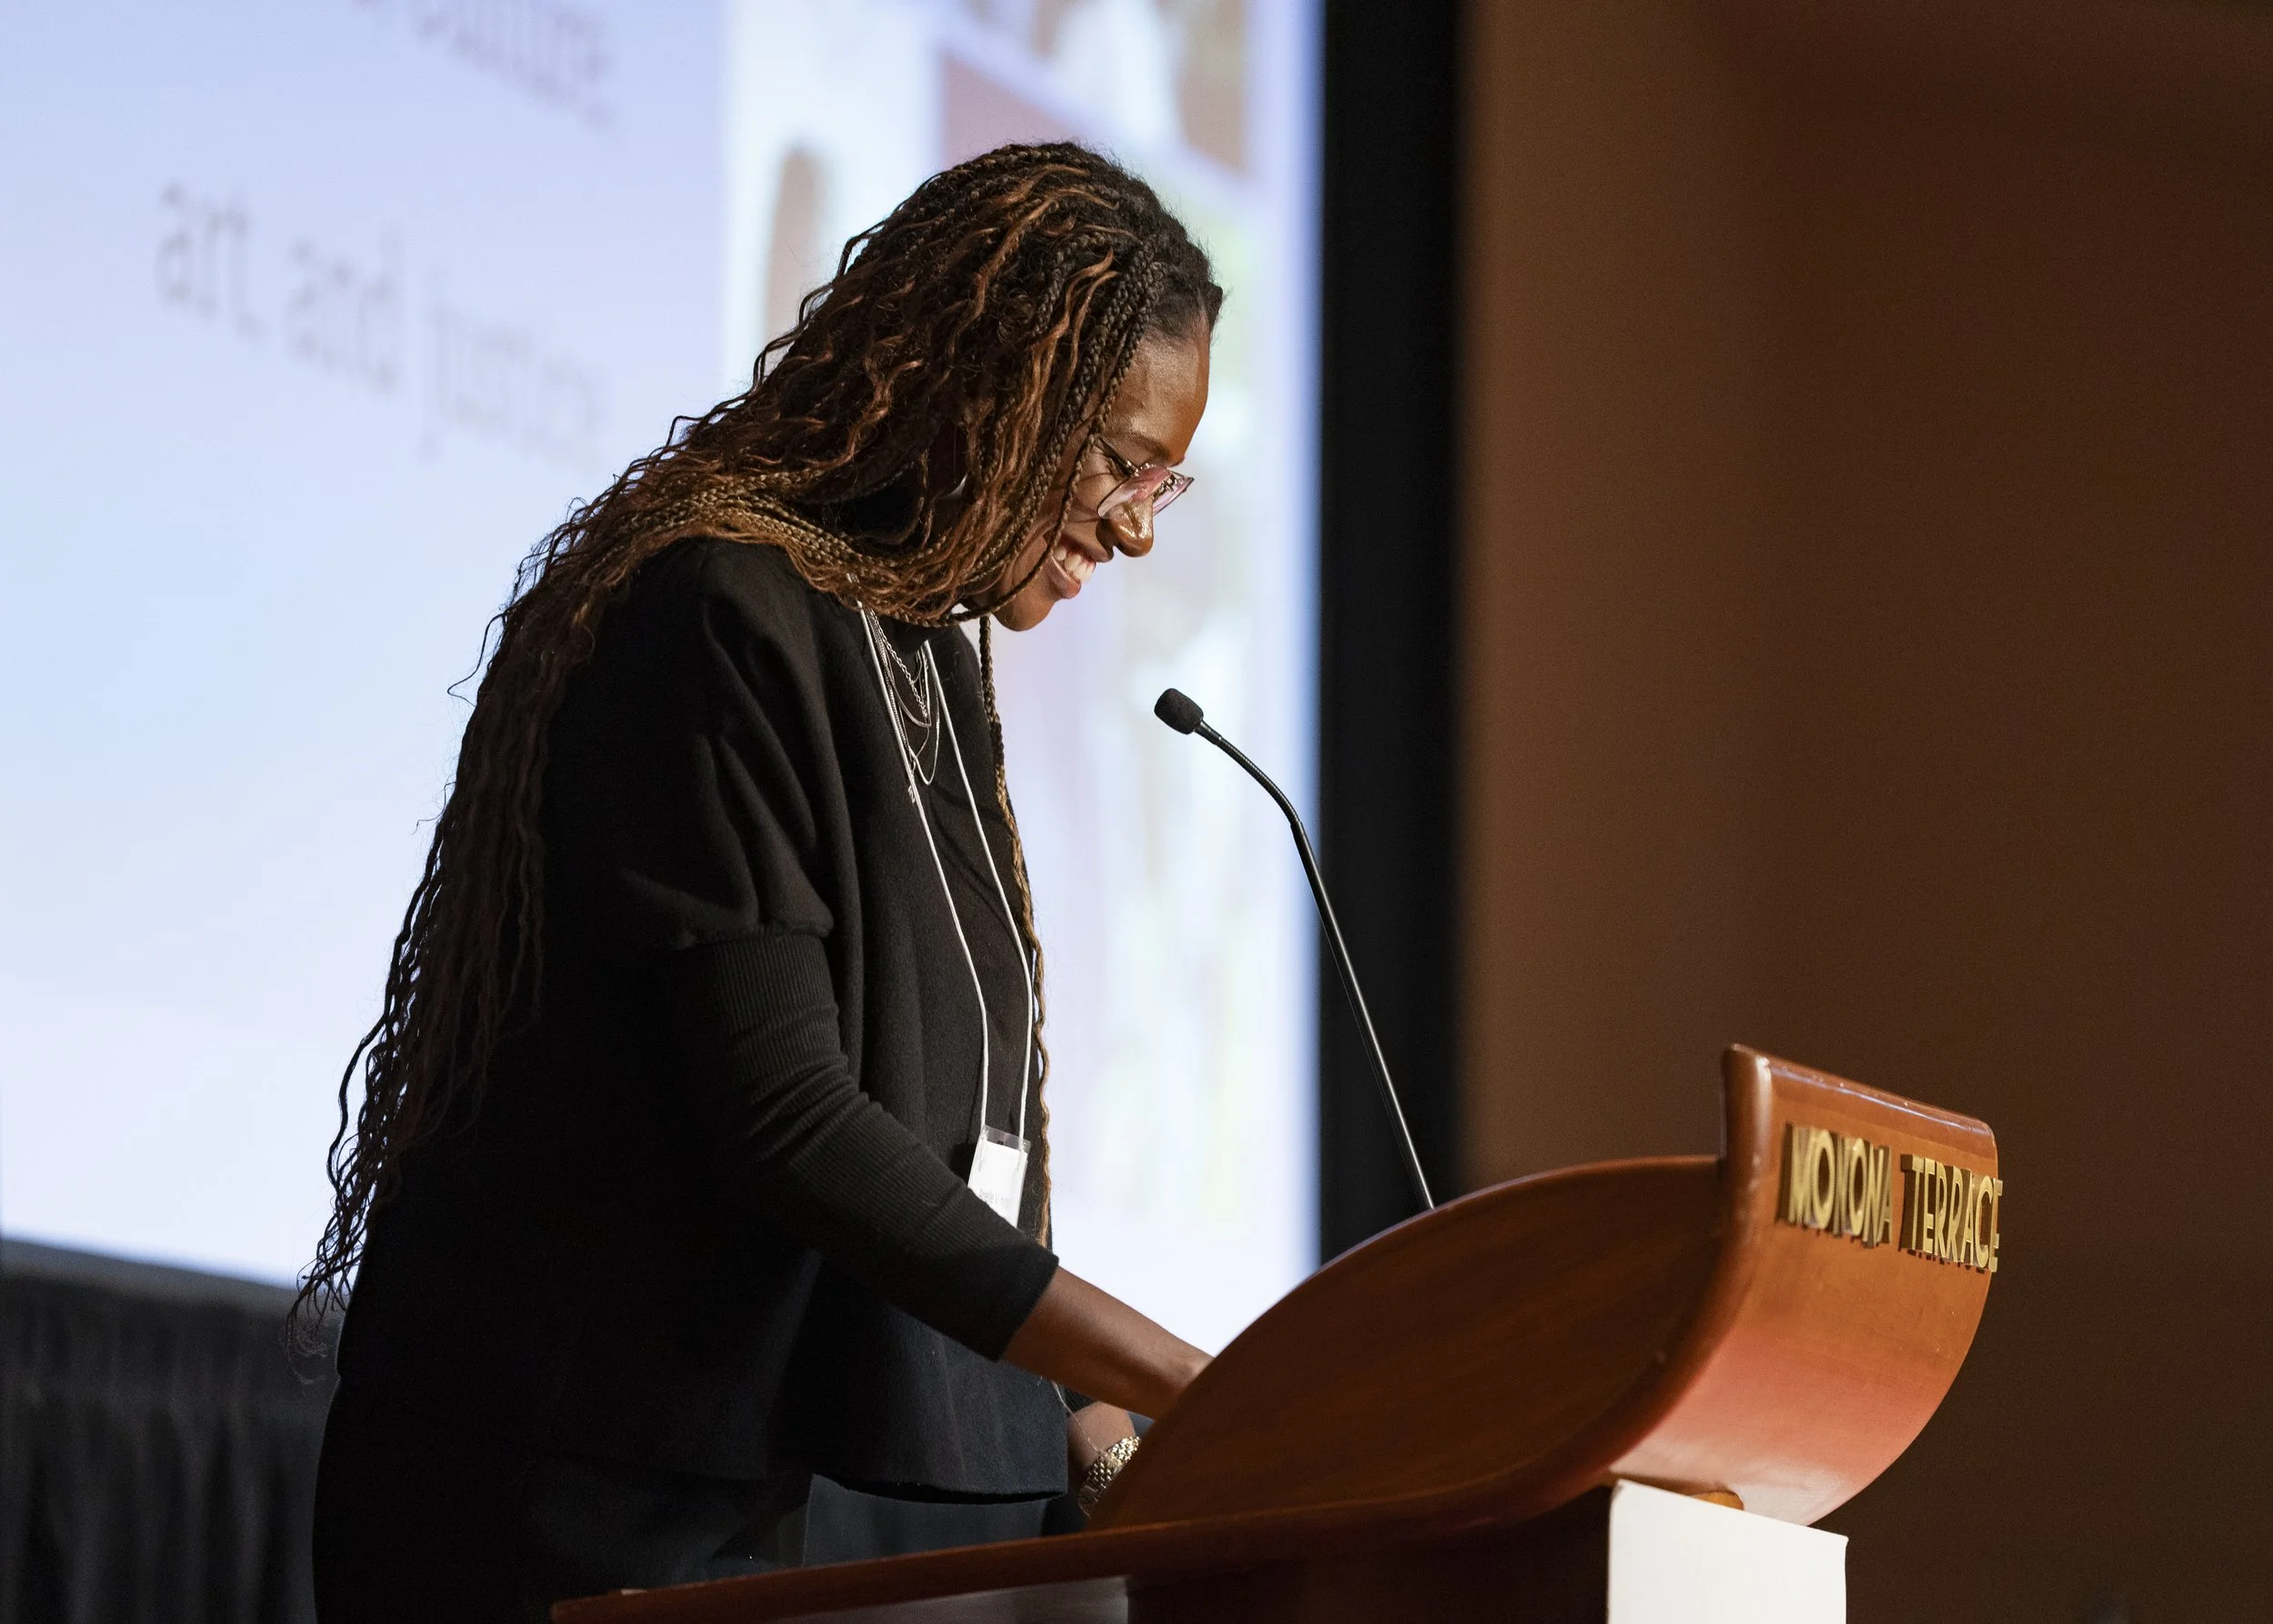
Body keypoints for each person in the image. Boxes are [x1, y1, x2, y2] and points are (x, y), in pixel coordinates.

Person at [299, 143, 1219, 1620]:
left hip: (720, 1486)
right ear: (989, 381)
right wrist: (1185, 1371)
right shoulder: (723, 609)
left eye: (1170, 478)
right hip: (540, 1482)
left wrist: (1110, 1438)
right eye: (1121, 460)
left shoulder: (923, 655)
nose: (1134, 525)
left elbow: (949, 1127)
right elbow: (788, 1112)